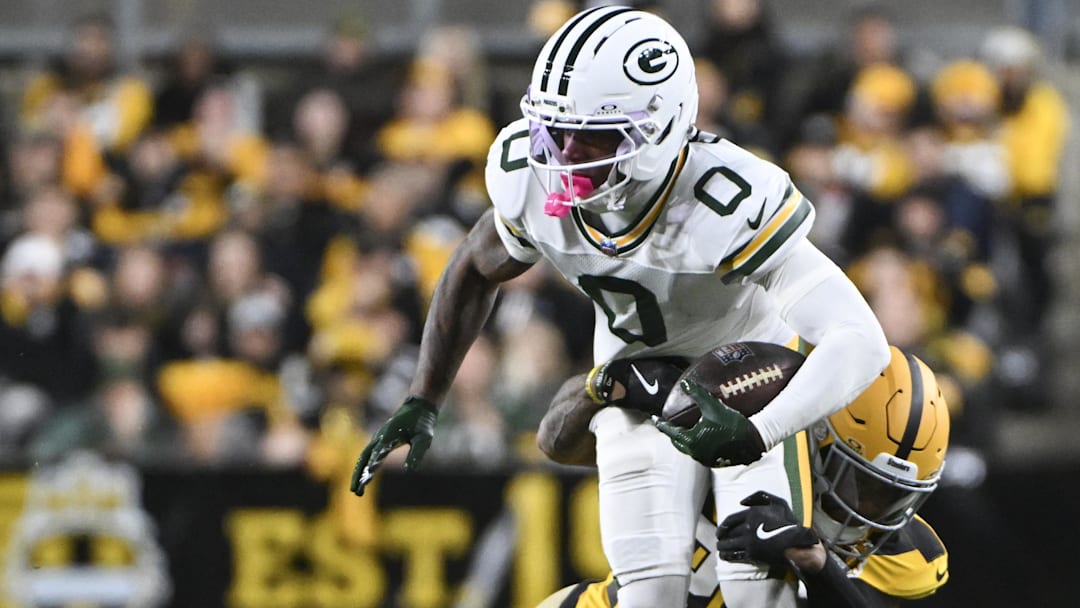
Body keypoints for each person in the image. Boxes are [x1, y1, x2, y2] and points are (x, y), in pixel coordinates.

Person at [351, 7, 889, 607]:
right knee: (648, 595)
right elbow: (474, 266)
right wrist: (424, 397)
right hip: (631, 388)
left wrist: (761, 428)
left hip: (750, 387)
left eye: (591, 136)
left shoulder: (723, 201)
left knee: (757, 595)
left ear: (662, 128)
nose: (563, 156)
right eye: (554, 131)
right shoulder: (529, 179)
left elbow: (858, 338)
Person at [538, 345, 950, 607]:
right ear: (815, 438)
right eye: (861, 486)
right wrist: (606, 385)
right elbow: (555, 443)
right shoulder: (740, 443)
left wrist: (817, 565)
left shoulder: (907, 557)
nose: (868, 515)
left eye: (893, 498)